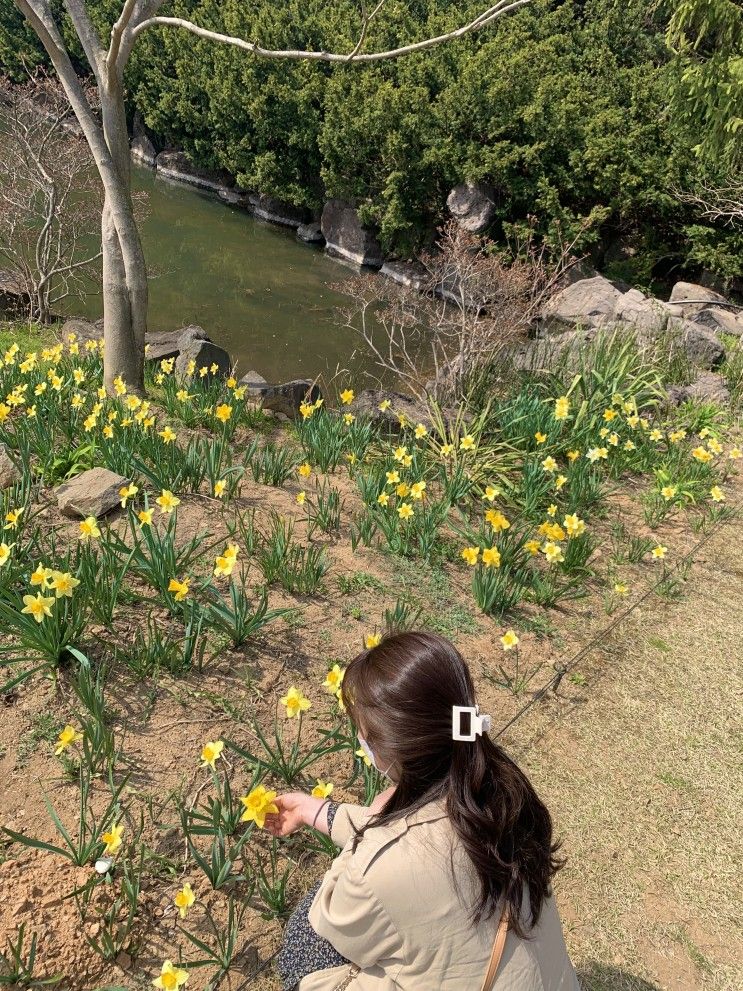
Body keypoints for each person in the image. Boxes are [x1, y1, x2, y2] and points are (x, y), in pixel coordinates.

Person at [266, 631, 579, 991]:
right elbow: (412, 833)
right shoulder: (498, 787)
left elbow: (337, 914)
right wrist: (311, 809)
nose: (361, 741)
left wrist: (366, 839)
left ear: (391, 748)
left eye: (364, 733)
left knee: (303, 947)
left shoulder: (380, 864)